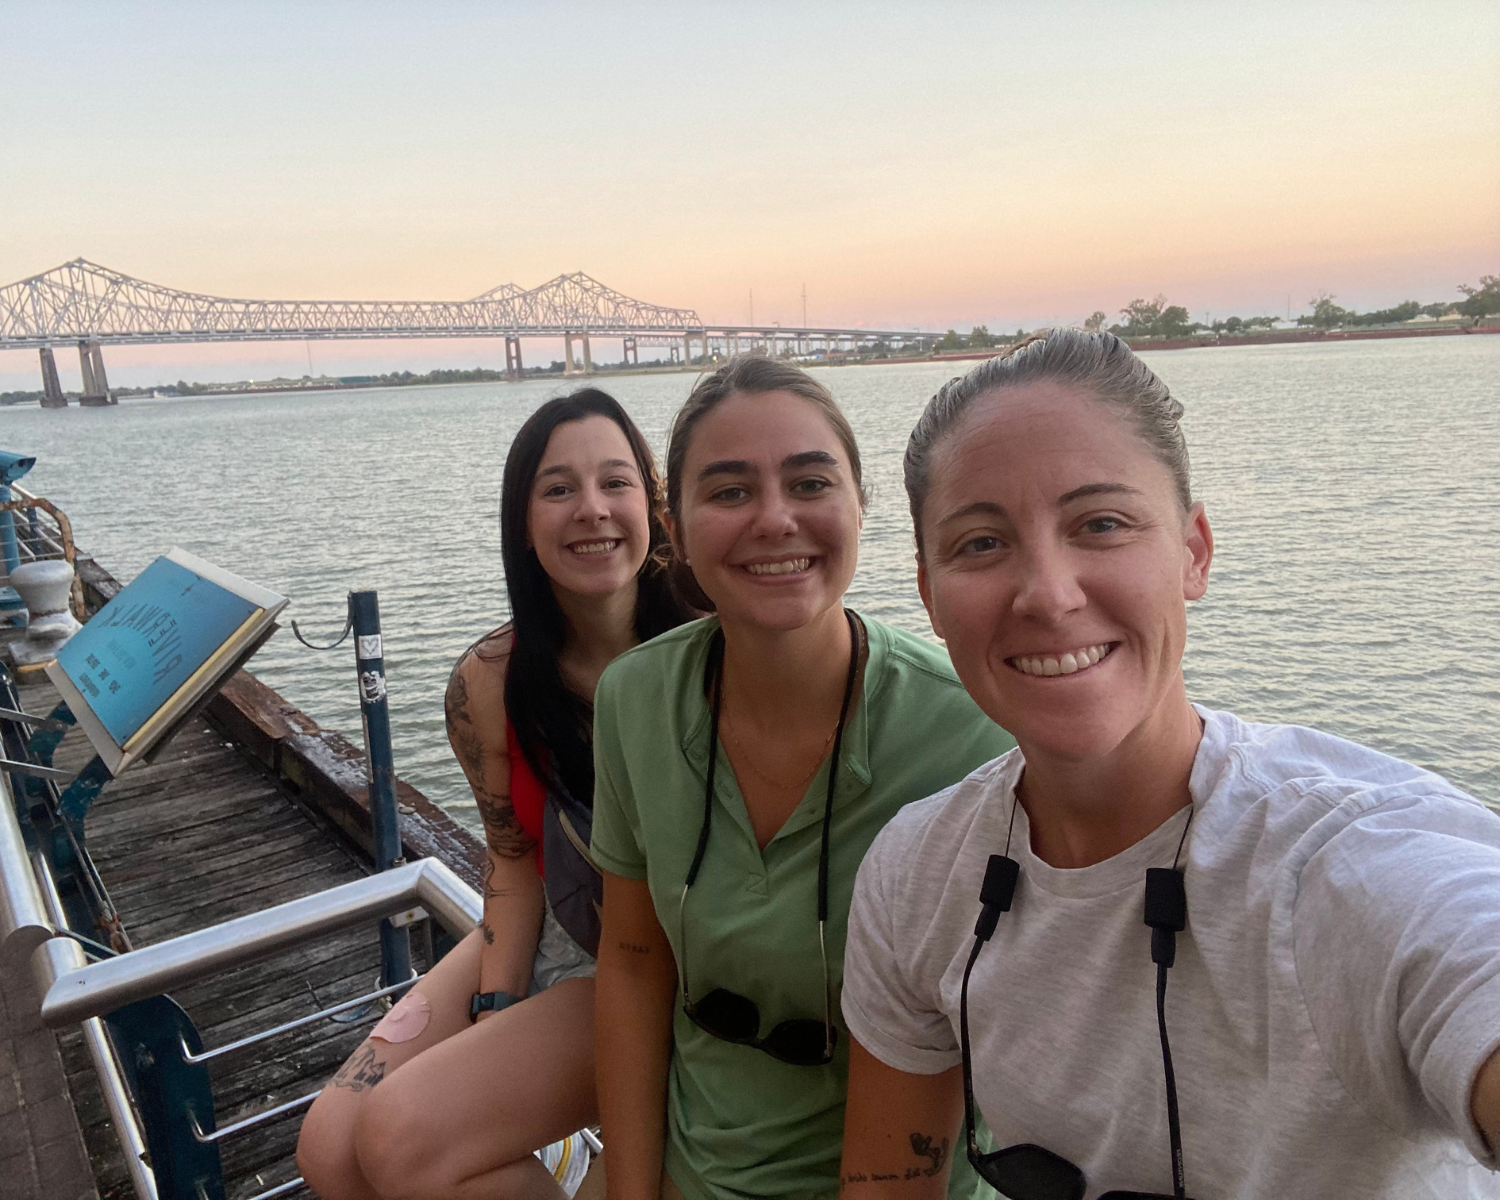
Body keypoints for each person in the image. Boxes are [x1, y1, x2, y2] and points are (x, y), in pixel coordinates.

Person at [837, 329, 1500, 1198]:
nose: (1047, 592)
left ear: (1194, 552)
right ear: (928, 594)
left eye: (1100, 524)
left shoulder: (1348, 865)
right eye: (981, 544)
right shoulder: (917, 875)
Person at [584, 356, 1015, 1200]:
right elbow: (634, 962)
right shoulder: (634, 698)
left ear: (861, 505)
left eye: (811, 482)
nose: (775, 519)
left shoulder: (971, 732)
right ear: (676, 523)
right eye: (731, 491)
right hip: (692, 1165)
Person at [297, 388, 693, 1200]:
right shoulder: (492, 680)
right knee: (331, 1148)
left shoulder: (709, 649)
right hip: (554, 923)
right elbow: (512, 860)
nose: (592, 510)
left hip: (656, 956)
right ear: (522, 521)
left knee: (405, 1145)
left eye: (616, 483)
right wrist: (497, 1001)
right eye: (558, 489)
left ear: (652, 505)